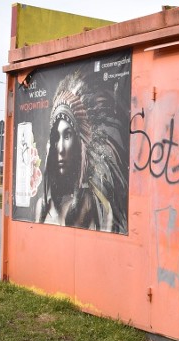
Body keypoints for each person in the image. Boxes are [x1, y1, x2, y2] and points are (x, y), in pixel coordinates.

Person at [35, 70, 125, 232]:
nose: (60, 148)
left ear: (80, 144)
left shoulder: (100, 208)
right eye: (56, 137)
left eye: (67, 135)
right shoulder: (42, 206)